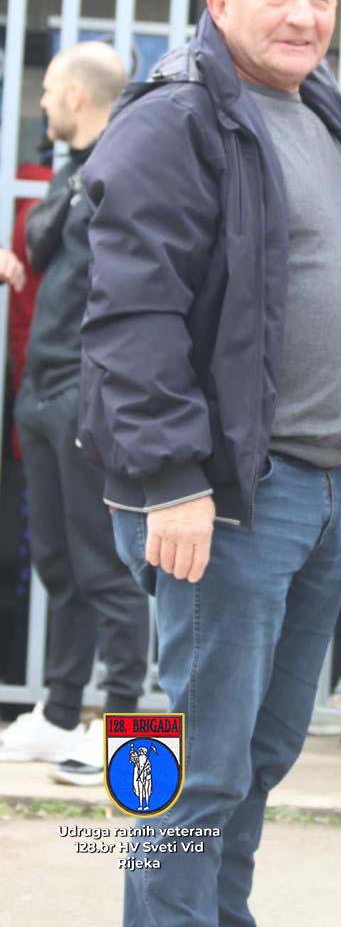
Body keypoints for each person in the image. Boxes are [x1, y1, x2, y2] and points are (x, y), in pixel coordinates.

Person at [78, 0, 341, 927]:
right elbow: (131, 315)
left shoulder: (322, 112)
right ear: (218, 3)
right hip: (219, 495)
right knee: (187, 764)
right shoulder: (175, 119)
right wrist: (172, 480)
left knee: (259, 752)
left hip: (319, 486)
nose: (302, 16)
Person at [0, 42, 150, 780]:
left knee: (106, 568)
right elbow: (36, 246)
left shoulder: (123, 171)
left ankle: (128, 736)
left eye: (49, 90)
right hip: (43, 390)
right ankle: (61, 715)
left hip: (90, 393)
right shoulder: (72, 173)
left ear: (78, 97)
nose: (41, 102)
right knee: (59, 563)